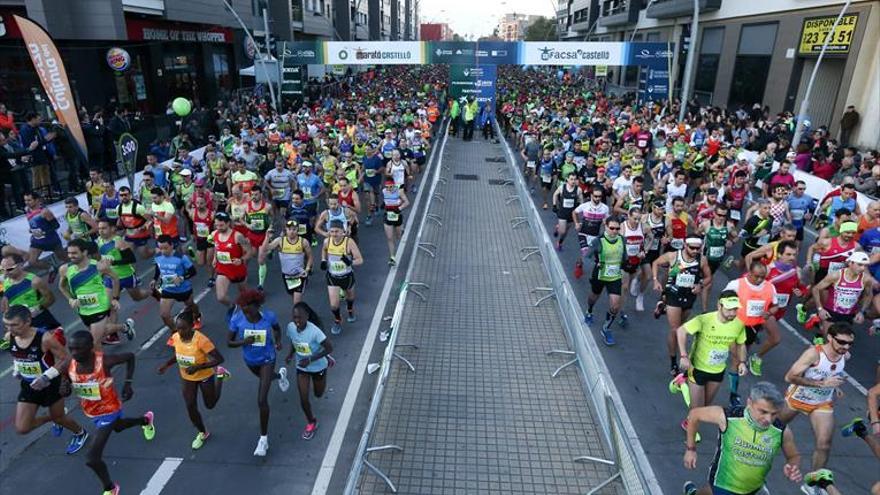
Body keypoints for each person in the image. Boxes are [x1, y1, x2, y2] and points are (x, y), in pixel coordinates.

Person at [66, 330, 155, 495]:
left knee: (92, 458)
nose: (74, 353)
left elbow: (130, 357)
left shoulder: (105, 361)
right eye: (71, 349)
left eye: (79, 349)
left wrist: (128, 383)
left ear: (91, 347)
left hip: (109, 408)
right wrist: (63, 386)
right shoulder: (70, 363)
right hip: (91, 411)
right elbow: (65, 377)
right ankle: (145, 420)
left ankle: (110, 488)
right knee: (119, 427)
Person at [682, 382, 803, 495]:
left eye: (774, 414)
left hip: (754, 489)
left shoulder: (781, 430)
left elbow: (794, 456)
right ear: (749, 402)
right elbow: (694, 414)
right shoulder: (729, 417)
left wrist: (793, 466)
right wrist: (691, 449)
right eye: (763, 412)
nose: (768, 419)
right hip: (724, 483)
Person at [778, 323, 853, 494]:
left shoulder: (844, 354)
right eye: (841, 342)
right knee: (772, 427)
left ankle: (812, 483)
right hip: (798, 399)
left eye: (849, 343)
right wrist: (822, 384)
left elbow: (833, 372)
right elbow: (789, 376)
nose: (845, 347)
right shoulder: (814, 354)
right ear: (829, 338)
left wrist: (835, 387)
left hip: (822, 403)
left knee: (824, 444)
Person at [5, 305, 89, 454]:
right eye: (6, 325)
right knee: (22, 428)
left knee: (60, 419)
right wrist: (18, 368)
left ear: (28, 321)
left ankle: (80, 433)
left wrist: (46, 377)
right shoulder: (9, 337)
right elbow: (17, 354)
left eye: (14, 325)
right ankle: (54, 417)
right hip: (29, 385)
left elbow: (66, 358)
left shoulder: (44, 338)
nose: (10, 329)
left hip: (50, 385)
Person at [226, 289, 288, 457]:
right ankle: (280, 376)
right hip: (250, 360)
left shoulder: (269, 317)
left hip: (268, 358)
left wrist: (278, 341)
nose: (245, 312)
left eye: (248, 309)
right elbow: (229, 342)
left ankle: (263, 440)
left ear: (257, 306)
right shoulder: (237, 320)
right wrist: (243, 342)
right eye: (243, 309)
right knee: (264, 380)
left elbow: (277, 329)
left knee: (262, 399)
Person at [157, 308, 229, 450]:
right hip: (187, 377)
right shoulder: (176, 337)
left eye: (183, 328)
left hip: (204, 375)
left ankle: (220, 376)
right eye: (178, 328)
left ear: (191, 326)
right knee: (190, 405)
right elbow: (178, 354)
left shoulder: (201, 340)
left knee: (210, 404)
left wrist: (198, 367)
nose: (180, 331)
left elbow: (219, 358)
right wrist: (167, 364)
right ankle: (203, 432)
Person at [676, 291, 747, 428]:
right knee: (697, 409)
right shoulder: (704, 320)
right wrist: (684, 356)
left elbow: (741, 343)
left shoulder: (738, 324)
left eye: (735, 309)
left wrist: (742, 362)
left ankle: (682, 385)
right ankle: (691, 433)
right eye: (729, 309)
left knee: (705, 406)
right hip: (697, 369)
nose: (733, 313)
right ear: (719, 305)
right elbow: (681, 331)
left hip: (718, 371)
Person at [58, 238, 134, 348]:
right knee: (102, 333)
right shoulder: (64, 269)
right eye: (69, 253)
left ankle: (99, 365)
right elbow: (61, 286)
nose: (70, 256)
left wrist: (115, 298)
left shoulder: (99, 267)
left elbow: (115, 278)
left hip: (100, 307)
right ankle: (125, 327)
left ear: (84, 252)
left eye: (74, 253)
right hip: (83, 309)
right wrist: (70, 299)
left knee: (93, 342)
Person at [653, 237, 712, 375]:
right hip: (673, 294)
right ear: (685, 245)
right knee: (676, 329)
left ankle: (662, 306)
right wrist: (655, 280)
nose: (695, 251)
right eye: (692, 248)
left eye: (698, 248)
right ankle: (675, 361)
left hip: (689, 296)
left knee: (681, 324)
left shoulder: (702, 260)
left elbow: (709, 277)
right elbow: (656, 262)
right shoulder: (673, 256)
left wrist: (700, 285)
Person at [284, 302, 334, 440]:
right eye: (294, 317)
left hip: (317, 366)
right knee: (303, 397)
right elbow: (294, 342)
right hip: (302, 367)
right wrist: (290, 354)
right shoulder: (291, 327)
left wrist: (311, 359)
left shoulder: (315, 332)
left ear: (307, 316)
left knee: (318, 394)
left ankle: (327, 360)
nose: (297, 321)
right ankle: (312, 422)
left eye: (300, 318)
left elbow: (329, 348)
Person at [809, 251, 874, 336]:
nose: (863, 268)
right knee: (829, 338)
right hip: (831, 312)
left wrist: (861, 312)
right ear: (850, 263)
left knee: (841, 338)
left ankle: (819, 326)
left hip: (849, 314)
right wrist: (820, 309)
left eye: (865, 266)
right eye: (860, 265)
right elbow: (816, 289)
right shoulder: (836, 275)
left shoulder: (866, 279)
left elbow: (869, 295)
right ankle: (820, 324)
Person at [583, 217, 626, 346]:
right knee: (593, 297)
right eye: (612, 228)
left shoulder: (622, 240)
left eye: (617, 229)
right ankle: (589, 311)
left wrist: (625, 266)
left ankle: (606, 328)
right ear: (606, 227)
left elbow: (624, 257)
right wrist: (595, 263)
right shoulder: (598, 241)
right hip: (600, 275)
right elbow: (587, 256)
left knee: (615, 306)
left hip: (615, 277)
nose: (614, 231)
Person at [322, 219, 364, 335]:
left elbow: (360, 260)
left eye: (336, 231)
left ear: (343, 232)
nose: (334, 234)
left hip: (347, 276)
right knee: (334, 304)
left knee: (350, 298)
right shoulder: (327, 241)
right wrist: (324, 260)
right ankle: (337, 320)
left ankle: (350, 310)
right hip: (332, 277)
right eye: (332, 231)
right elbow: (324, 251)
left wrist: (350, 261)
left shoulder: (349, 242)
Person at [1, 253, 62, 329]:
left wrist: (37, 309)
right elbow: (6, 303)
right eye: (3, 270)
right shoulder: (5, 283)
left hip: (40, 321)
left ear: (20, 265)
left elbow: (51, 299)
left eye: (9, 269)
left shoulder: (35, 281)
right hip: (20, 326)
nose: (6, 272)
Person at [212, 212, 254, 321]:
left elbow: (250, 251)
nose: (219, 228)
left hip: (237, 270)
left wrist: (241, 260)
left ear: (228, 223)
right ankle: (232, 306)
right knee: (220, 297)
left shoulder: (237, 236)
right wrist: (215, 258)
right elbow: (217, 247)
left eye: (221, 225)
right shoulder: (215, 234)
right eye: (217, 225)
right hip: (223, 270)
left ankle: (252, 313)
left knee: (245, 297)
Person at [151, 235, 199, 331]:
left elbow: (193, 272)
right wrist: (154, 279)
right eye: (160, 248)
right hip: (167, 289)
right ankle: (175, 333)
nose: (163, 251)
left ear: (172, 245)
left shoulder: (181, 257)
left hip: (183, 289)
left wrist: (181, 278)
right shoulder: (158, 257)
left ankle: (197, 317)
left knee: (191, 305)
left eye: (165, 248)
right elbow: (158, 268)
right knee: (164, 315)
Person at [260, 220, 313, 305]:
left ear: (297, 230)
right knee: (294, 300)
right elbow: (265, 249)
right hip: (287, 276)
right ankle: (304, 313)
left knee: (297, 302)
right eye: (289, 229)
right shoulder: (280, 241)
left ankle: (300, 315)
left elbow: (310, 257)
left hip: (300, 275)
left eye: (294, 229)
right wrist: (267, 237)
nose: (292, 232)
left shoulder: (303, 242)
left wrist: (307, 269)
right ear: (286, 230)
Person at [24, 191, 66, 278]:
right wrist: (32, 230)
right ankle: (51, 268)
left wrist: (44, 232)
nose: (27, 203)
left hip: (51, 240)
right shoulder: (27, 209)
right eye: (25, 200)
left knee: (63, 257)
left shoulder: (45, 212)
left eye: (29, 200)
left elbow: (56, 225)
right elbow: (33, 223)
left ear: (36, 200)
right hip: (37, 241)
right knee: (32, 261)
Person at [380, 178, 410, 265]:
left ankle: (401, 229)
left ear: (394, 185)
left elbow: (407, 202)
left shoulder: (399, 191)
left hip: (397, 216)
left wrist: (399, 208)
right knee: (389, 238)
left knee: (398, 236)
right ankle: (392, 257)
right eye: (387, 187)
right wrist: (384, 205)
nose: (388, 189)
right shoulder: (384, 191)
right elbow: (385, 200)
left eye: (390, 187)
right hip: (388, 216)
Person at [552, 173, 582, 252]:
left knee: (566, 231)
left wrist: (579, 208)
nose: (573, 181)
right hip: (562, 212)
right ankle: (559, 228)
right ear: (567, 179)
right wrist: (554, 205)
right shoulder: (562, 187)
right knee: (563, 231)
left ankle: (560, 242)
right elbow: (555, 195)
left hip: (571, 214)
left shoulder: (578, 190)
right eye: (571, 179)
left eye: (575, 179)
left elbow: (581, 201)